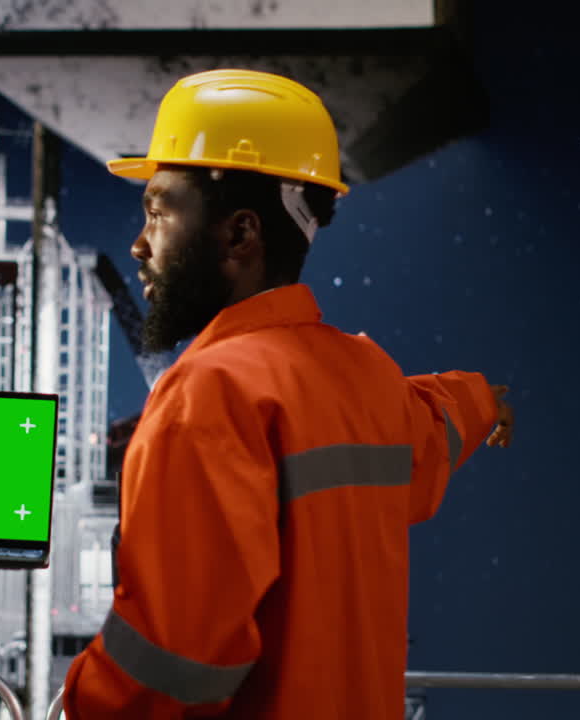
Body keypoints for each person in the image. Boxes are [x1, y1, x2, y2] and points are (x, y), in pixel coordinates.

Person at [62, 69, 515, 718]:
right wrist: (488, 403)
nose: (138, 244)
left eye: (159, 212)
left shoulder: (207, 399)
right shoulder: (366, 377)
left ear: (240, 235)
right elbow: (437, 421)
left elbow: (173, 667)